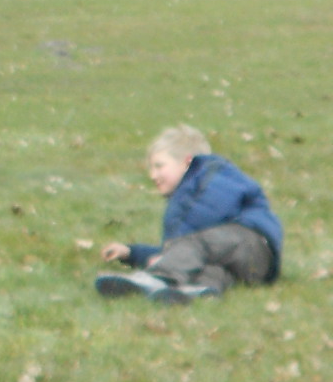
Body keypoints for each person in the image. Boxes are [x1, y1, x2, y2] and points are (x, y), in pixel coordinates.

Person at [96, 125, 281, 304]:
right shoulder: (195, 192)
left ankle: (156, 278)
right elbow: (181, 251)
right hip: (250, 268)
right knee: (208, 268)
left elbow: (189, 238)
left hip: (251, 243)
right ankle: (198, 290)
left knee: (194, 246)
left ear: (186, 162)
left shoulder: (212, 174)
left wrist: (165, 260)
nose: (153, 175)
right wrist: (131, 253)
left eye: (159, 166)